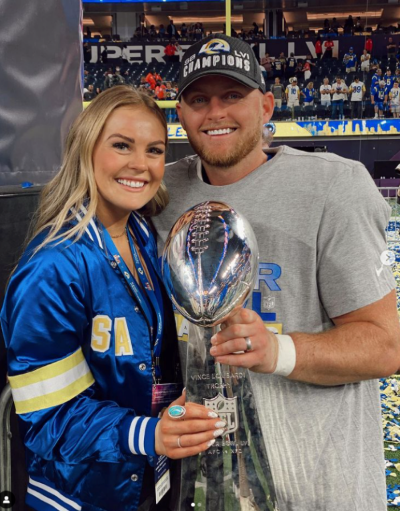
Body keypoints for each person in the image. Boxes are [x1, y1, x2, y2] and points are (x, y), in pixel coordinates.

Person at [153, 33, 400, 511]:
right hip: (203, 488)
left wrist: (277, 349)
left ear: (266, 105)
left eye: (232, 96)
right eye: (199, 99)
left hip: (320, 490)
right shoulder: (161, 193)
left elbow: (386, 345)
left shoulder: (333, 187)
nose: (216, 112)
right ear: (179, 114)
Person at [0, 86, 226, 511]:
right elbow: (47, 419)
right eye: (121, 145)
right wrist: (148, 433)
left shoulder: (143, 234)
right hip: (78, 496)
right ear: (86, 149)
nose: (140, 165)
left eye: (154, 150)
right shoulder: (52, 269)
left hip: (143, 478)